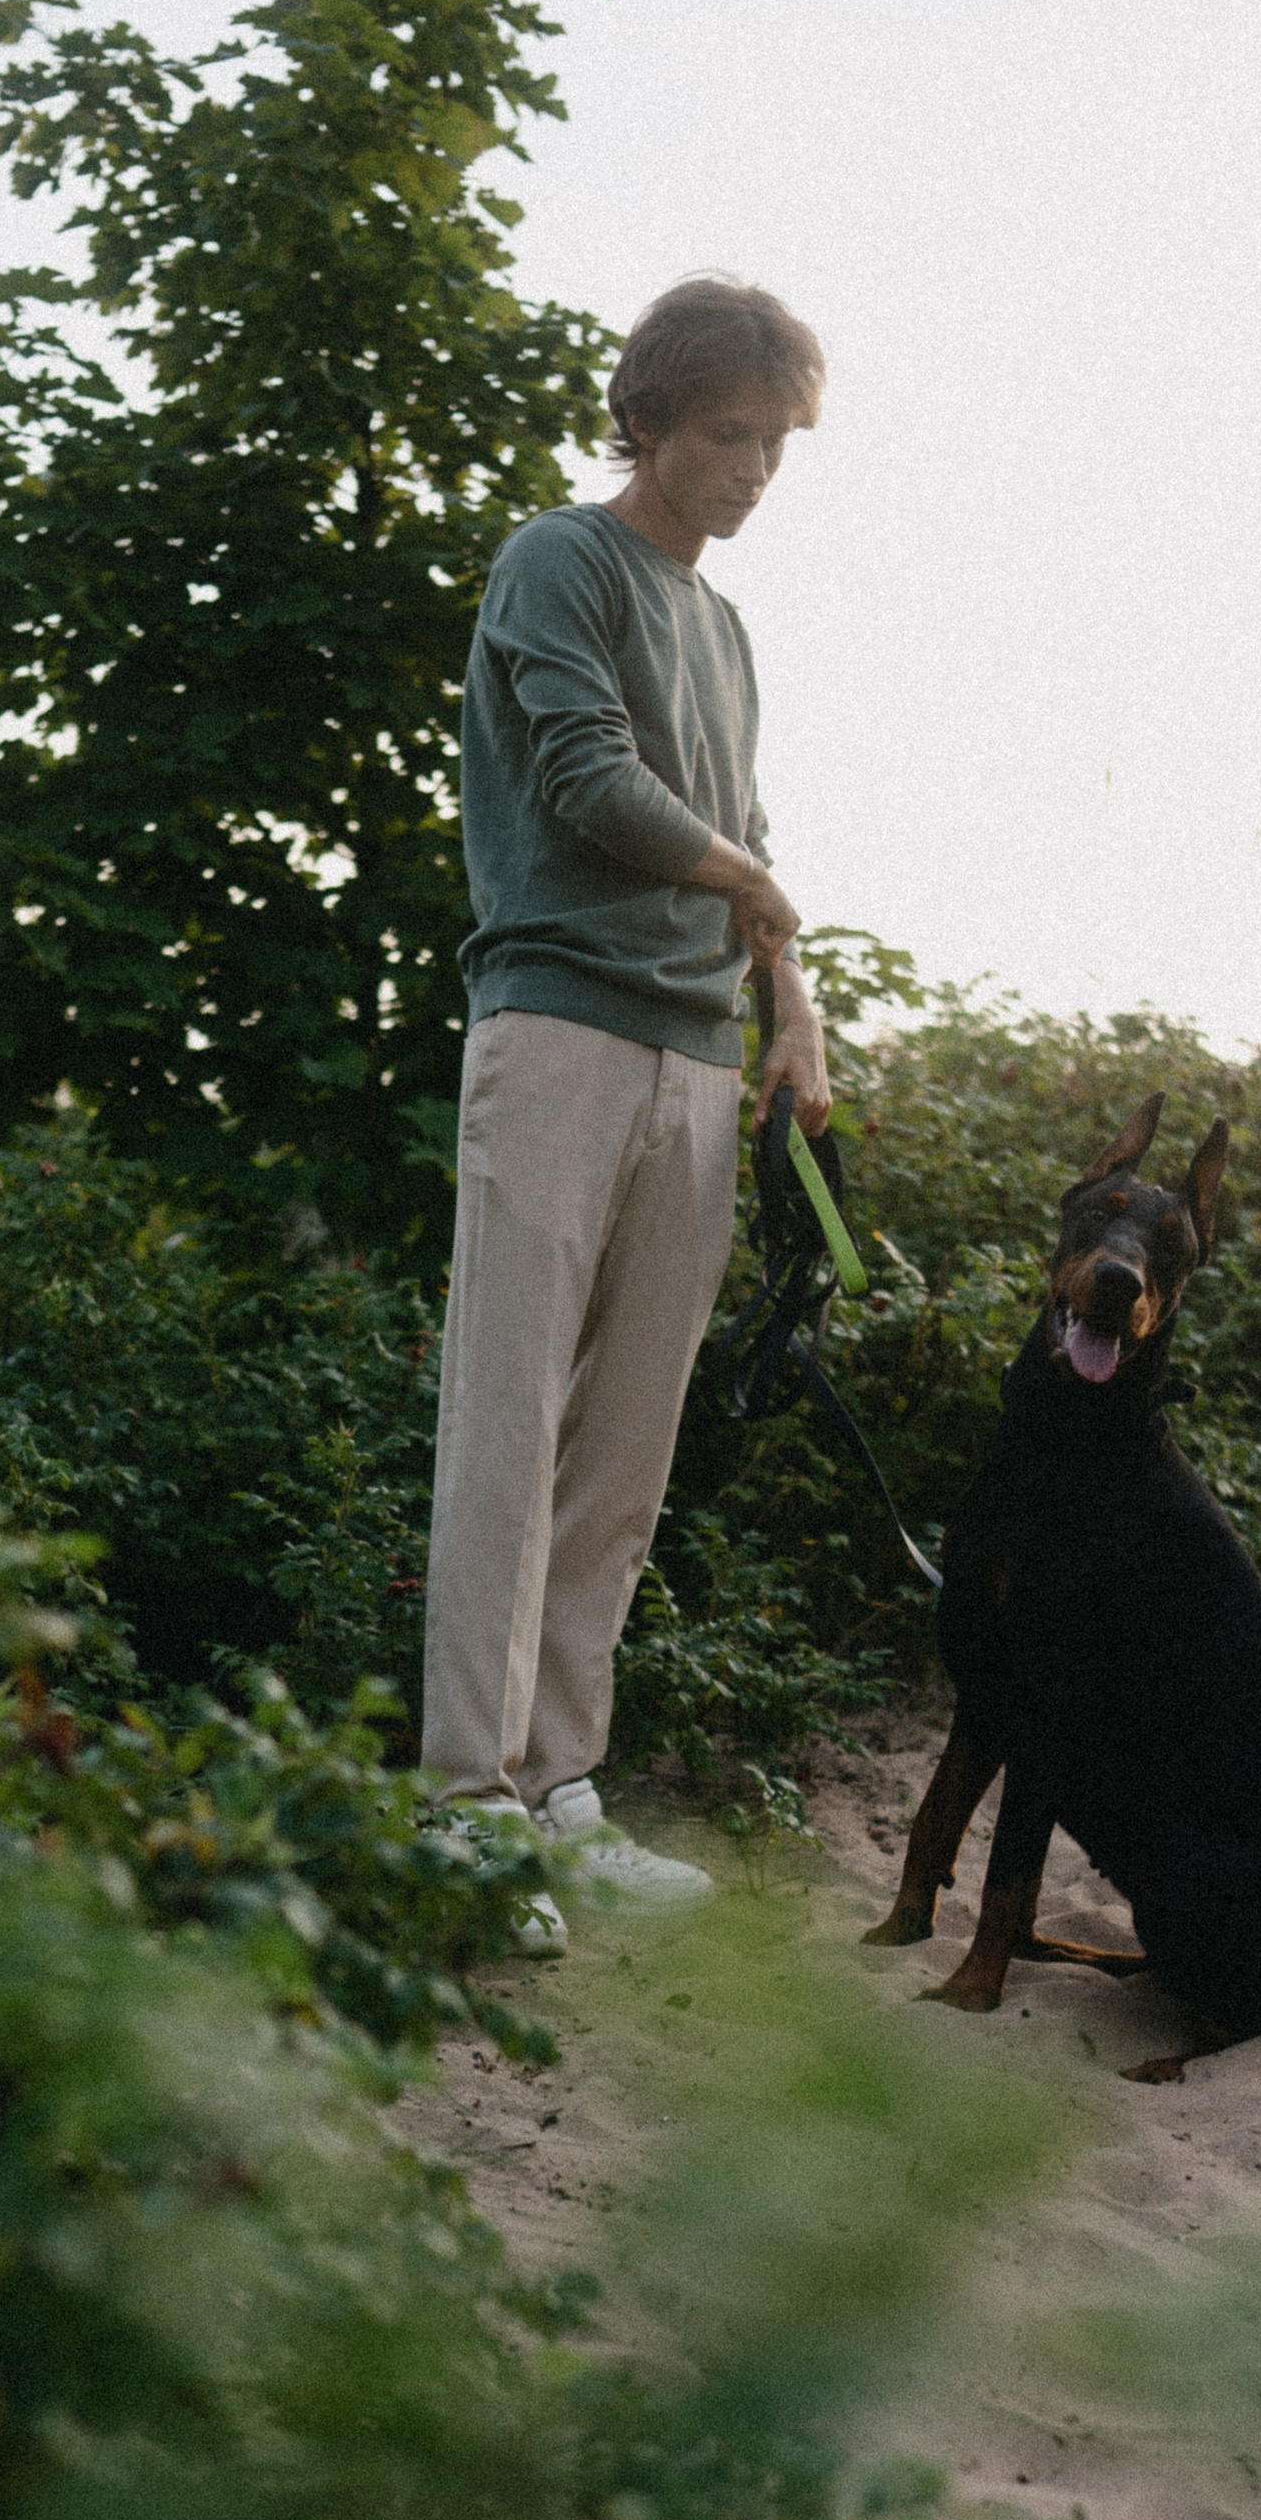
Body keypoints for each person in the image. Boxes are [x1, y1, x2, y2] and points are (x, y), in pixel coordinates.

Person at [422, 274, 829, 1943]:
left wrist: (795, 1009)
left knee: (628, 1445)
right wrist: (760, 886)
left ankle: (561, 1787)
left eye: (776, 442)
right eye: (727, 432)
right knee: (508, 1419)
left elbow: (742, 834)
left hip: (701, 1055)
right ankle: (459, 1813)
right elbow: (594, 788)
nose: (750, 469)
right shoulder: (558, 561)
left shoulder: (724, 628)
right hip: (560, 1026)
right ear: (648, 415)